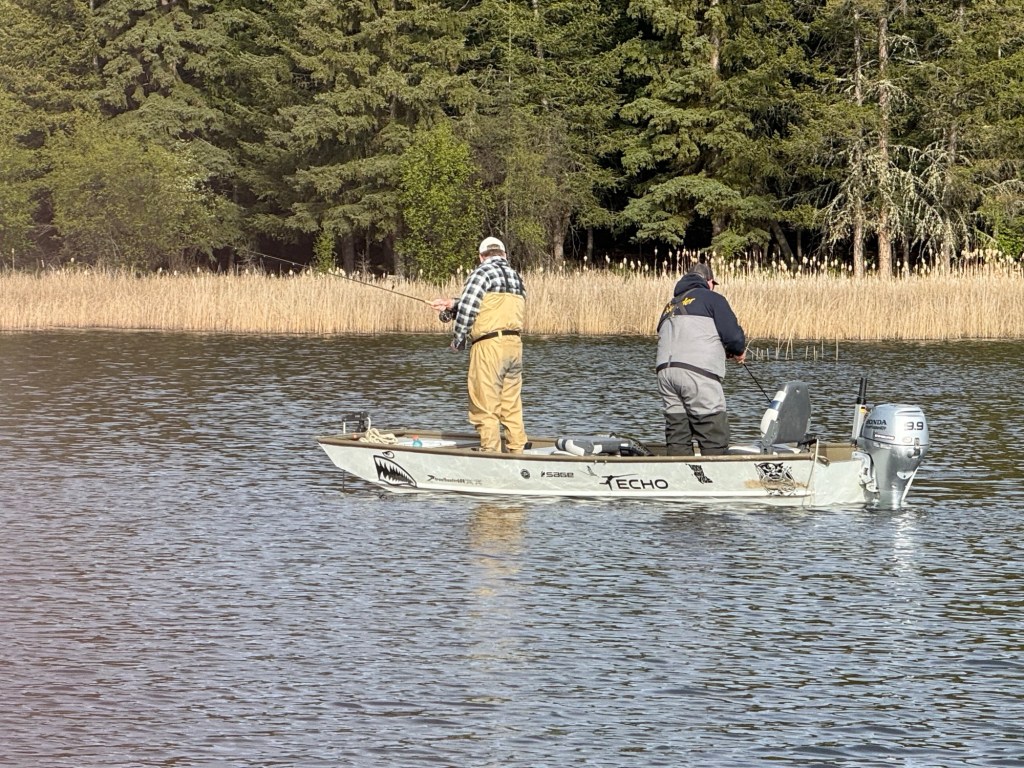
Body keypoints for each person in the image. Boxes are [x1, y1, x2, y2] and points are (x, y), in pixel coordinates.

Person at [430, 237, 527, 453]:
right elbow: (489, 305)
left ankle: (490, 453)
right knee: (511, 404)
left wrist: (458, 340)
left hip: (489, 346)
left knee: (484, 403)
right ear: (504, 255)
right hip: (514, 345)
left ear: (481, 256)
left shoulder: (481, 273)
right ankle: (517, 451)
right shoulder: (516, 277)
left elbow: (468, 310)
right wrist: (452, 304)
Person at [656, 259, 746, 456]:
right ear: (709, 281)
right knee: (712, 428)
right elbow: (733, 336)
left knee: (677, 431)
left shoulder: (670, 304)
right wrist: (738, 351)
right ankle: (716, 472)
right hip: (697, 374)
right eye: (713, 284)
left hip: (665, 374)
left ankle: (679, 471)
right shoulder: (713, 298)